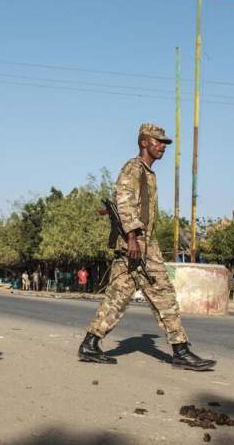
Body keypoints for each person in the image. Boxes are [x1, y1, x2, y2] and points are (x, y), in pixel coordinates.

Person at [78, 123, 216, 371]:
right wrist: (132, 237)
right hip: (138, 243)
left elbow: (124, 203)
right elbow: (124, 199)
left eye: (164, 143)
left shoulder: (147, 173)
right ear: (144, 142)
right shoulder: (134, 168)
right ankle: (181, 350)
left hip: (137, 243)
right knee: (163, 295)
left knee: (117, 297)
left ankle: (90, 344)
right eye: (158, 141)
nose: (162, 146)